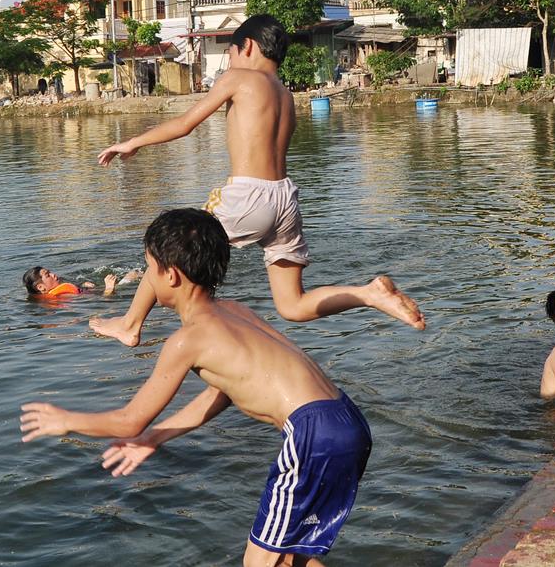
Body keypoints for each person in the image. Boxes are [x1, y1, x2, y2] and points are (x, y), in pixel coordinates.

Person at [21, 208, 372, 566]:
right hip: (344, 420)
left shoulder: (187, 340)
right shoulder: (236, 311)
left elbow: (128, 421)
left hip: (312, 433)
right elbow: (224, 391)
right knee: (285, 559)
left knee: (260, 562)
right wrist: (155, 438)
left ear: (170, 276)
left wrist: (65, 420)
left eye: (149, 269)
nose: (147, 279)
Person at [92, 15, 424, 346]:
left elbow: (185, 124)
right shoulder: (285, 95)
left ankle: (130, 324)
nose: (231, 61)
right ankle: (367, 293)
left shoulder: (239, 78)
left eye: (232, 53)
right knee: (292, 305)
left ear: (247, 47)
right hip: (285, 200)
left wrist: (131, 142)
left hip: (248, 195)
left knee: (169, 245)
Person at [22, 266, 139, 298]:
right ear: (41, 287)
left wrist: (82, 285)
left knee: (134, 273)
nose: (53, 274)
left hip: (96, 290)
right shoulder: (62, 296)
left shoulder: (61, 289)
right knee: (134, 274)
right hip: (106, 292)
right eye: (48, 275)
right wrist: (109, 288)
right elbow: (104, 302)